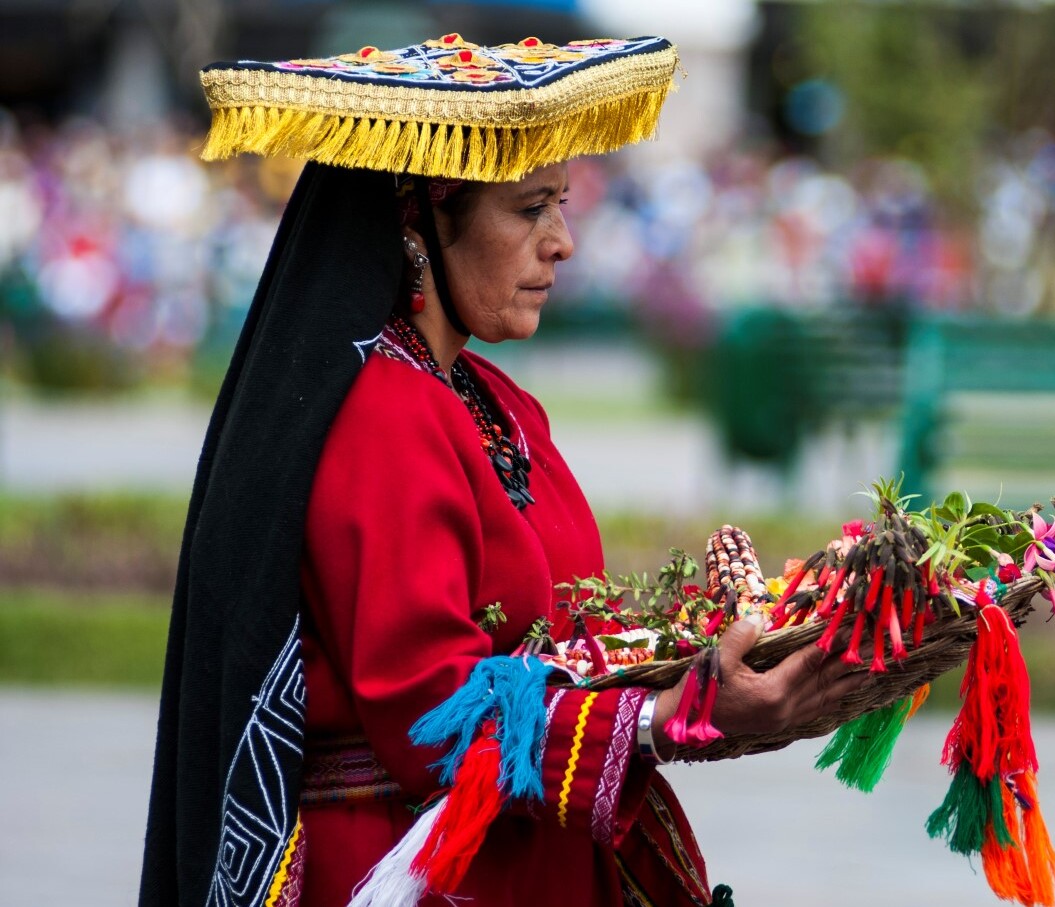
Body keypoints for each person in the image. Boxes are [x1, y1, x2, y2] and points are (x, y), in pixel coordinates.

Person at [139, 34, 864, 907]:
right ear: (419, 223)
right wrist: (667, 715)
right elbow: (427, 713)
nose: (561, 242)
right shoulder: (383, 413)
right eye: (528, 209)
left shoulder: (497, 400)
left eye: (559, 204)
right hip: (431, 873)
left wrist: (703, 668)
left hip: (524, 856)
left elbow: (562, 636)